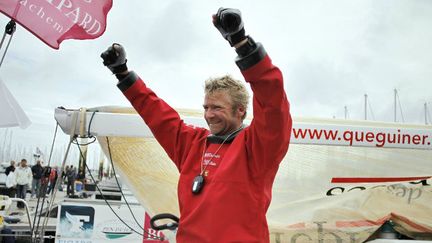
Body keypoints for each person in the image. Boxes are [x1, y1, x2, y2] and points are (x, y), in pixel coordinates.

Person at [101, 8, 292, 242]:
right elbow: (157, 115)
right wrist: (123, 73)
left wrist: (240, 41)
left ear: (240, 110)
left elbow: (273, 101)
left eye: (217, 108)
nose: (209, 115)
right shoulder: (193, 144)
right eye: (206, 108)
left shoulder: (258, 148)